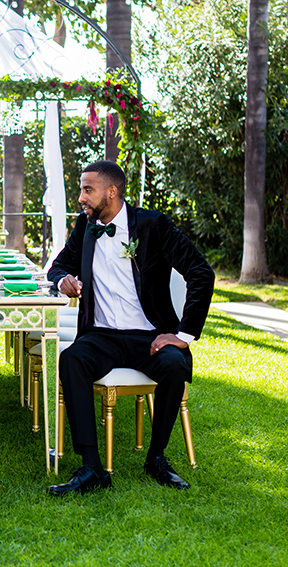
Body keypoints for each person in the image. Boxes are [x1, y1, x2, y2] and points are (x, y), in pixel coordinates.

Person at [46, 160, 214, 496]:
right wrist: (62, 279)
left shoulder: (153, 225)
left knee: (173, 365)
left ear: (112, 192)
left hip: (149, 336)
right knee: (71, 360)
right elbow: (58, 265)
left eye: (87, 189)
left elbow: (201, 272)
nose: (81, 197)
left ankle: (156, 458)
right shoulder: (86, 225)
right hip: (101, 335)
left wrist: (182, 335)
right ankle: (92, 467)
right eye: (81, 189)